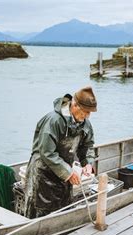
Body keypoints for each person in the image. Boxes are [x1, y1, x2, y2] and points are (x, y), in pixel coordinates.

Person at [23, 87, 97, 218]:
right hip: (42, 173)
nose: (87, 116)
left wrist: (88, 163)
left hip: (64, 172)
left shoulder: (85, 124)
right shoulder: (54, 121)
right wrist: (68, 173)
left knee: (63, 210)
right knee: (40, 213)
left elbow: (88, 145)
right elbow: (47, 152)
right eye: (85, 111)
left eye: (89, 113)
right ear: (74, 105)